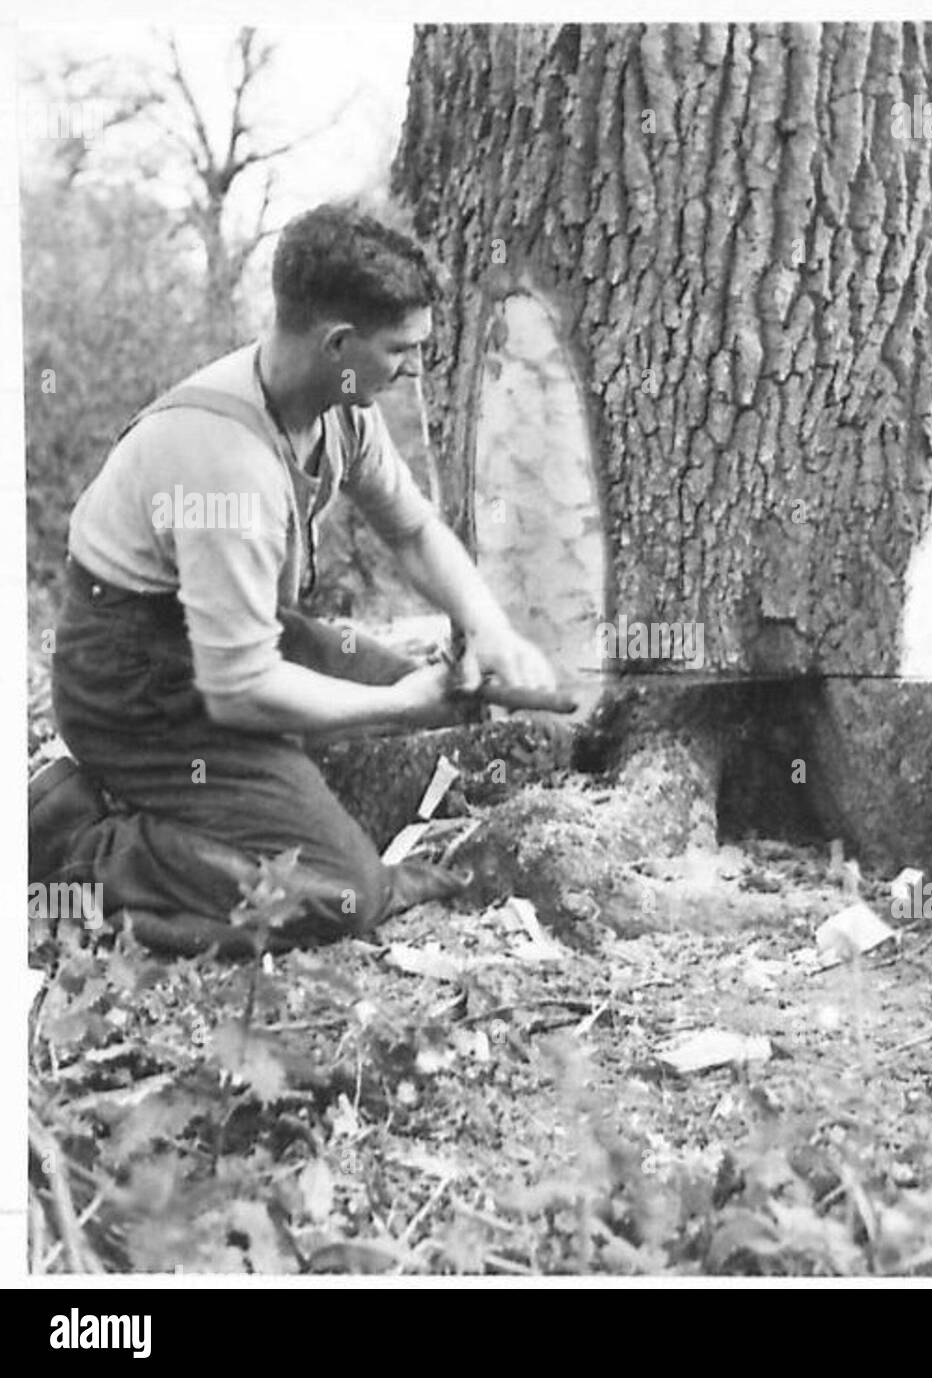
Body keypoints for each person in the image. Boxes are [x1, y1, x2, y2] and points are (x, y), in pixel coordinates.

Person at [30, 201, 556, 957]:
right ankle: (78, 847)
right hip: (135, 687)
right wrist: (392, 703)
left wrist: (490, 629)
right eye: (400, 349)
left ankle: (227, 806)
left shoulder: (339, 404)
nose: (413, 369)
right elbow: (240, 688)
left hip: (223, 644)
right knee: (344, 891)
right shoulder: (224, 467)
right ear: (339, 343)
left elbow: (411, 529)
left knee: (445, 725)